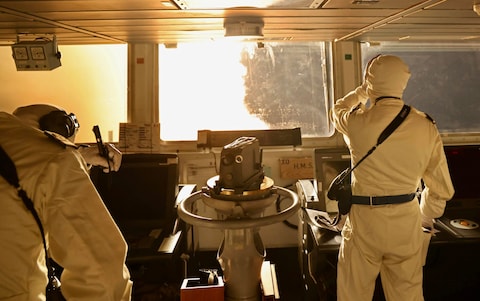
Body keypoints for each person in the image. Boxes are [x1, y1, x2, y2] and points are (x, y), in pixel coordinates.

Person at [330, 55, 454, 301]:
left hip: (364, 223)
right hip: (406, 221)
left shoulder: (357, 123)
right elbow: (441, 188)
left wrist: (362, 92)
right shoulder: (426, 126)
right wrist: (425, 217)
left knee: (353, 294)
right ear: (403, 83)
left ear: (370, 82)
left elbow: (337, 111)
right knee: (407, 294)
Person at [0, 104, 132, 300]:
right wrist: (68, 159)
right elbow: (103, 274)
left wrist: (79, 155)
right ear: (62, 128)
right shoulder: (56, 158)